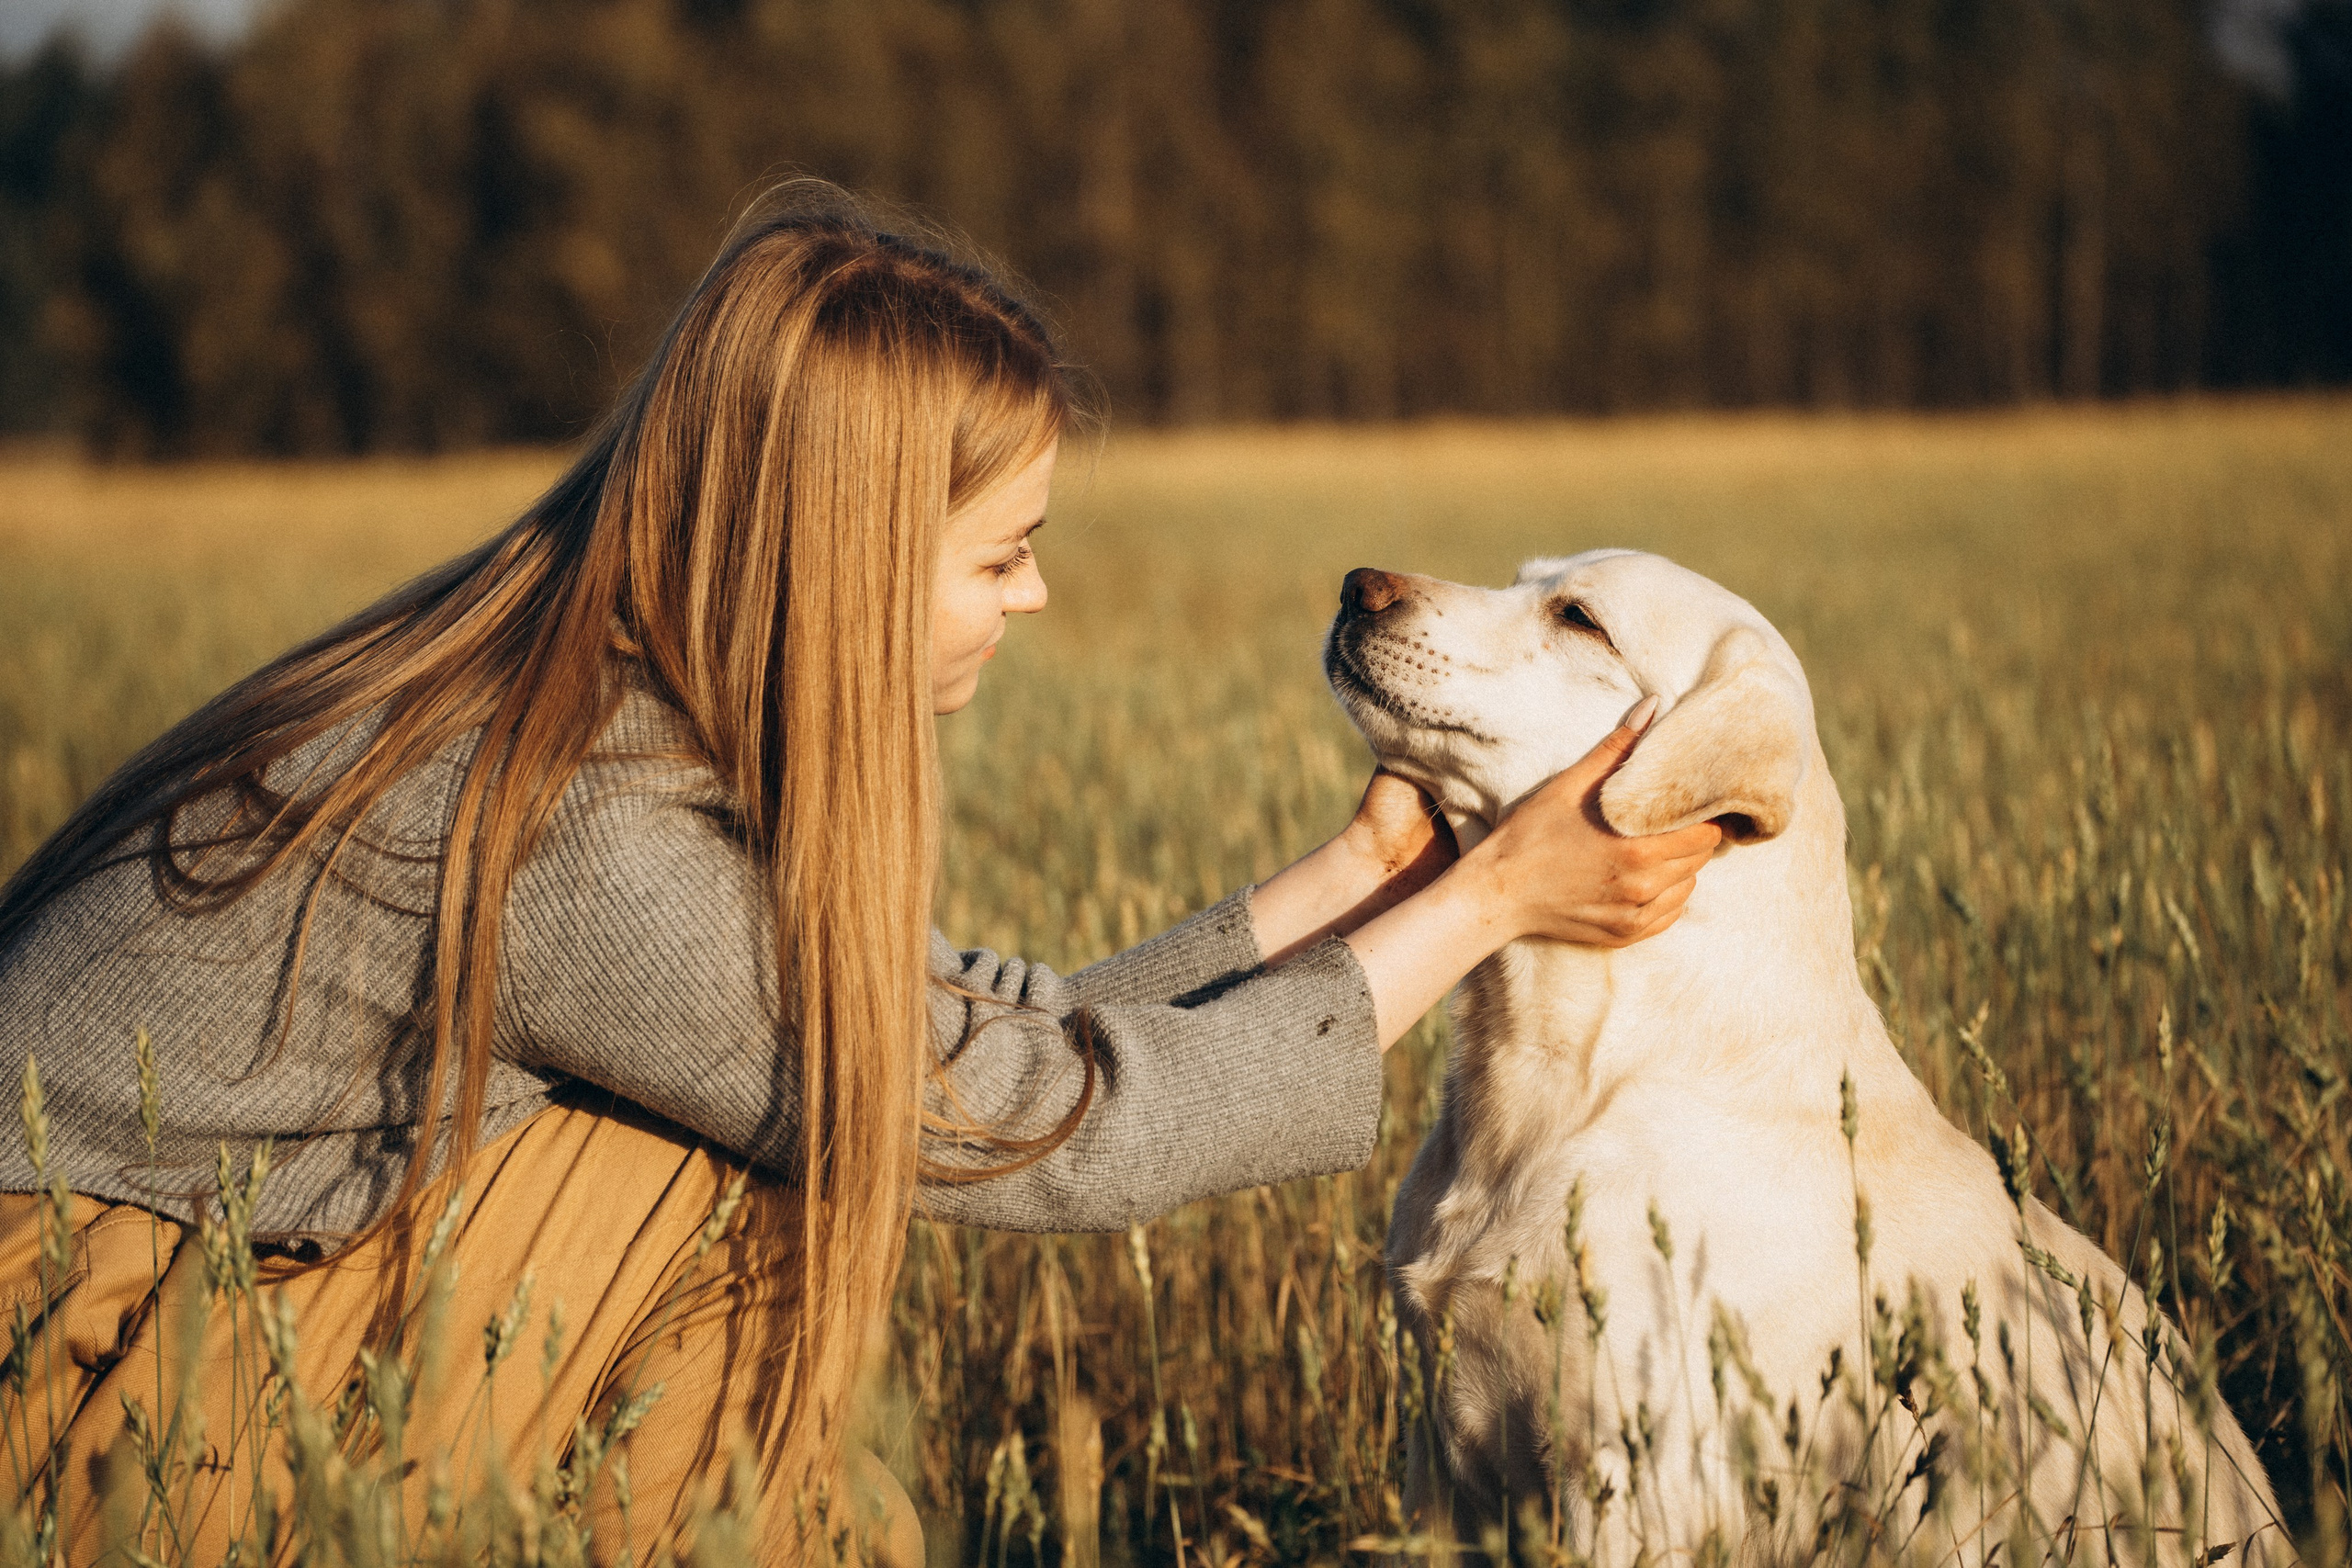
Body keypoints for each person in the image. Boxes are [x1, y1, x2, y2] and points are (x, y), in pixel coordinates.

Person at [0, 184, 1721, 1565]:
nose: (1034, 597)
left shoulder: (586, 703)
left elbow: (965, 1042)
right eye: (1003, 554)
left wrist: (1358, 875)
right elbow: (1025, 1127)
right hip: (69, 1401)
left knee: (816, 1098)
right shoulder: (575, 839)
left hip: (160, 1324)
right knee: (772, 1159)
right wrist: (1489, 907)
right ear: (845, 556)